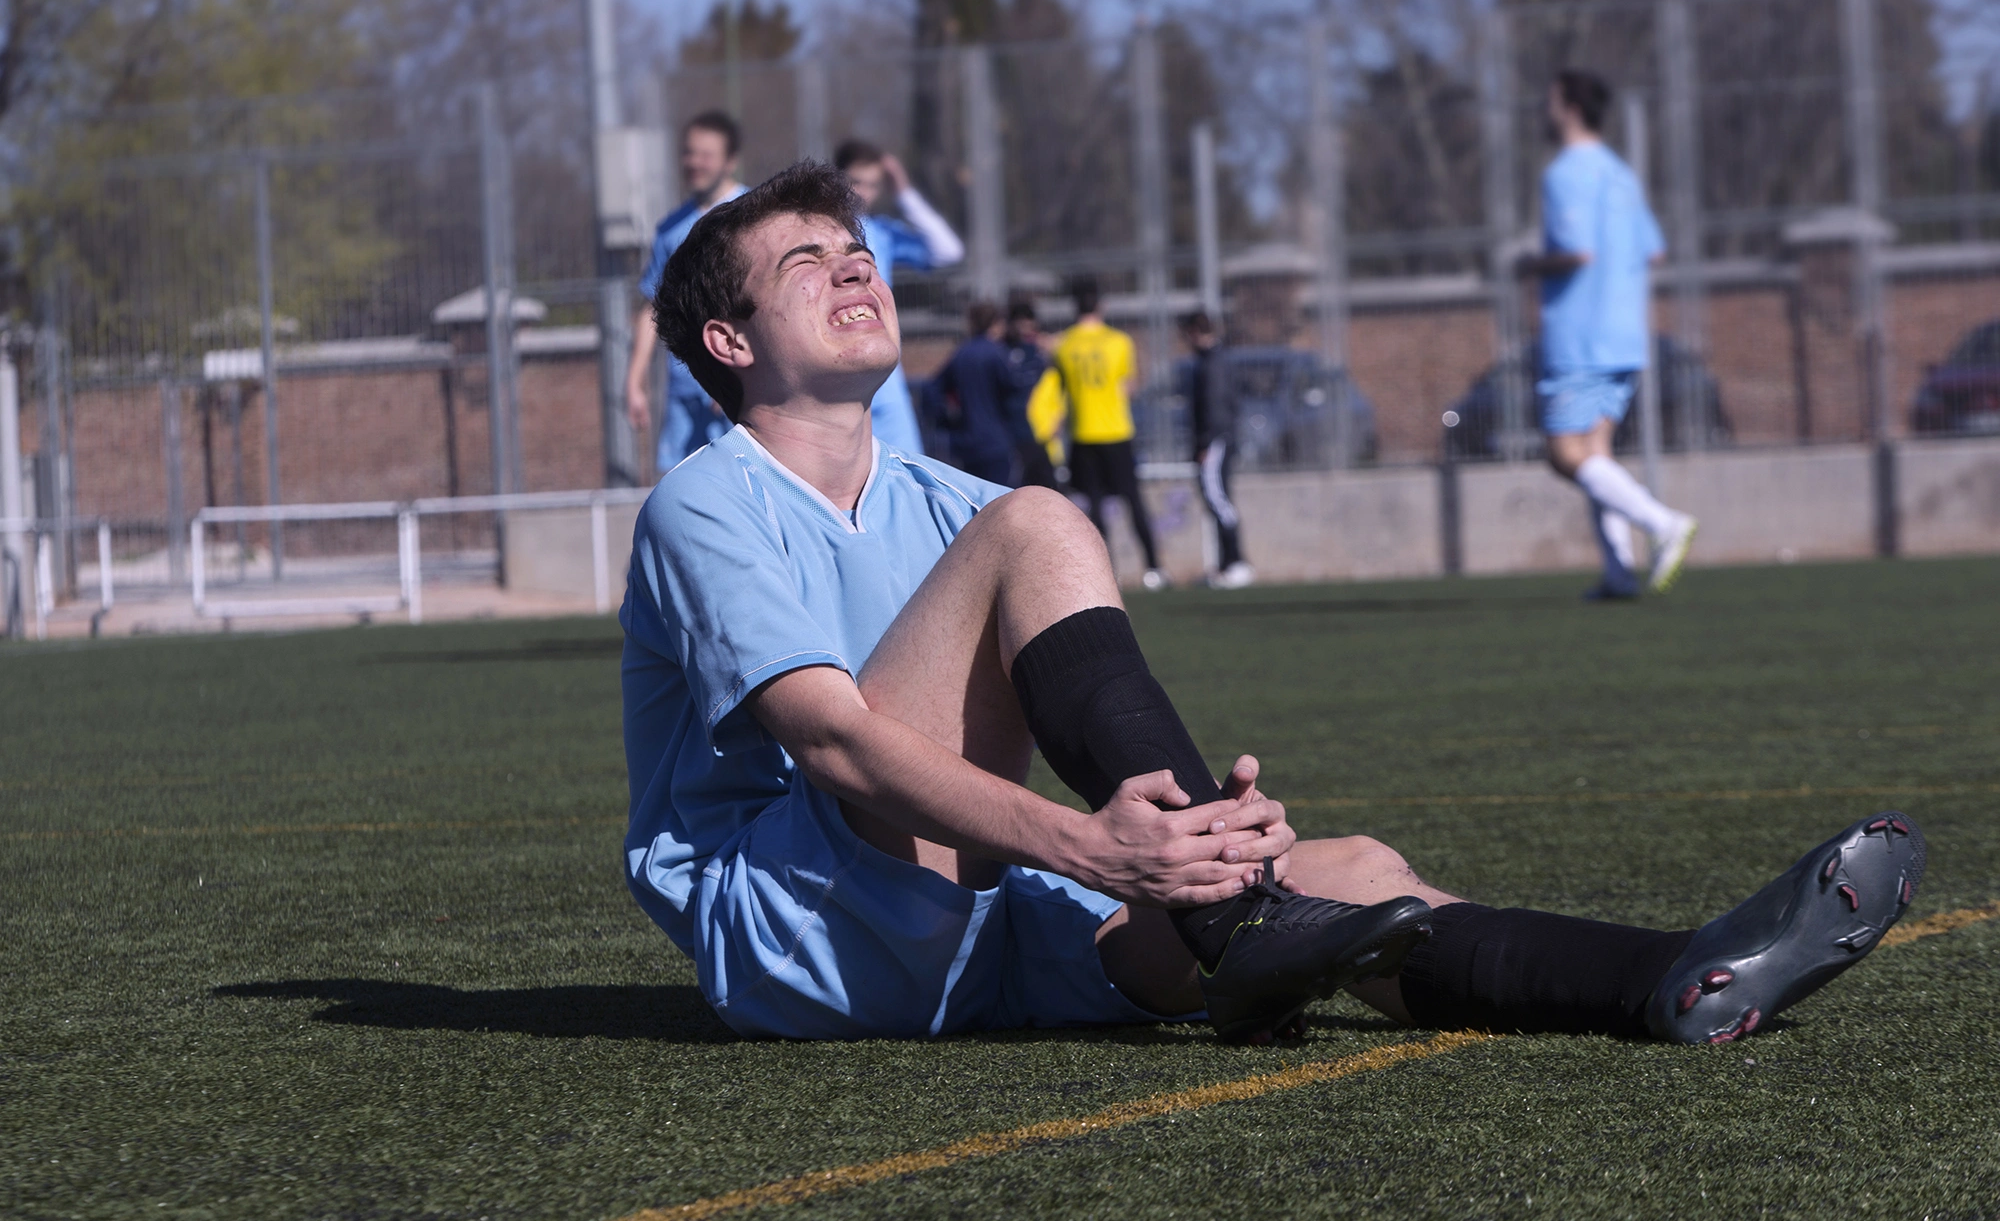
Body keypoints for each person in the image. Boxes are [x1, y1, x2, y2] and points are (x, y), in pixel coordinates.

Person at [623, 160, 1926, 1051]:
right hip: (802, 934)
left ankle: (1669, 977)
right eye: (808, 261)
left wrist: (1199, 840)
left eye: (862, 251)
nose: (857, 269)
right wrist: (1098, 849)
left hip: (982, 932)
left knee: (1354, 876)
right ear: (728, 342)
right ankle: (1232, 911)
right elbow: (837, 741)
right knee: (1041, 521)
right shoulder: (706, 500)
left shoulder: (944, 496)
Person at [1518, 69, 1698, 601]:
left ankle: (1663, 524)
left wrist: (1528, 265)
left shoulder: (1566, 173)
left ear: (1570, 108)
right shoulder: (1621, 174)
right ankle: (1618, 574)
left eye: (1550, 101)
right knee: (1596, 450)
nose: (1545, 112)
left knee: (1564, 454)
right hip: (1624, 332)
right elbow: (1653, 250)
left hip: (1580, 332)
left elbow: (1577, 251)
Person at [624, 111, 749, 472]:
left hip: (744, 390)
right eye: (688, 153)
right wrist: (635, 381)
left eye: (706, 155)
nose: (694, 163)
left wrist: (733, 373)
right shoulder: (669, 229)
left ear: (730, 160)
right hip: (684, 393)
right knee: (680, 493)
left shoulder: (754, 217)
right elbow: (653, 308)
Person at [836, 138, 965, 455]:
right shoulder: (818, 232)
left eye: (872, 185)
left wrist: (904, 191)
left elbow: (949, 251)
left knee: (908, 470)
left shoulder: (880, 231)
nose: (862, 193)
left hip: (885, 377)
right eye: (855, 182)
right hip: (836, 373)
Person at [1048, 275, 1169, 591]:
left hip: (1083, 435)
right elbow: (1128, 386)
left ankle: (1105, 574)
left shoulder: (1064, 345)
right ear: (1100, 305)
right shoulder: (1120, 341)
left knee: (1095, 506)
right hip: (1117, 432)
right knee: (1133, 500)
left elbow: (1056, 389)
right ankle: (1154, 569)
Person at [1181, 311, 1253, 589]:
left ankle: (1236, 563)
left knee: (1218, 499)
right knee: (1218, 498)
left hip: (1215, 440)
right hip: (1219, 438)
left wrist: (1205, 442)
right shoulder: (1213, 360)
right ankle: (1226, 565)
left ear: (1194, 332)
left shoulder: (1212, 363)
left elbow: (1214, 406)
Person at [925, 302, 1017, 486]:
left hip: (966, 441)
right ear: (996, 323)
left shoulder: (961, 353)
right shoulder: (998, 354)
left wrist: (945, 420)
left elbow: (931, 389)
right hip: (995, 441)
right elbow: (1013, 391)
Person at [1001, 299, 1059, 490]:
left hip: (1039, 432)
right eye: (1021, 323)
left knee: (1049, 488)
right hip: (1014, 432)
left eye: (1029, 323)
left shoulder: (1040, 354)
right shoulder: (1003, 352)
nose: (1026, 329)